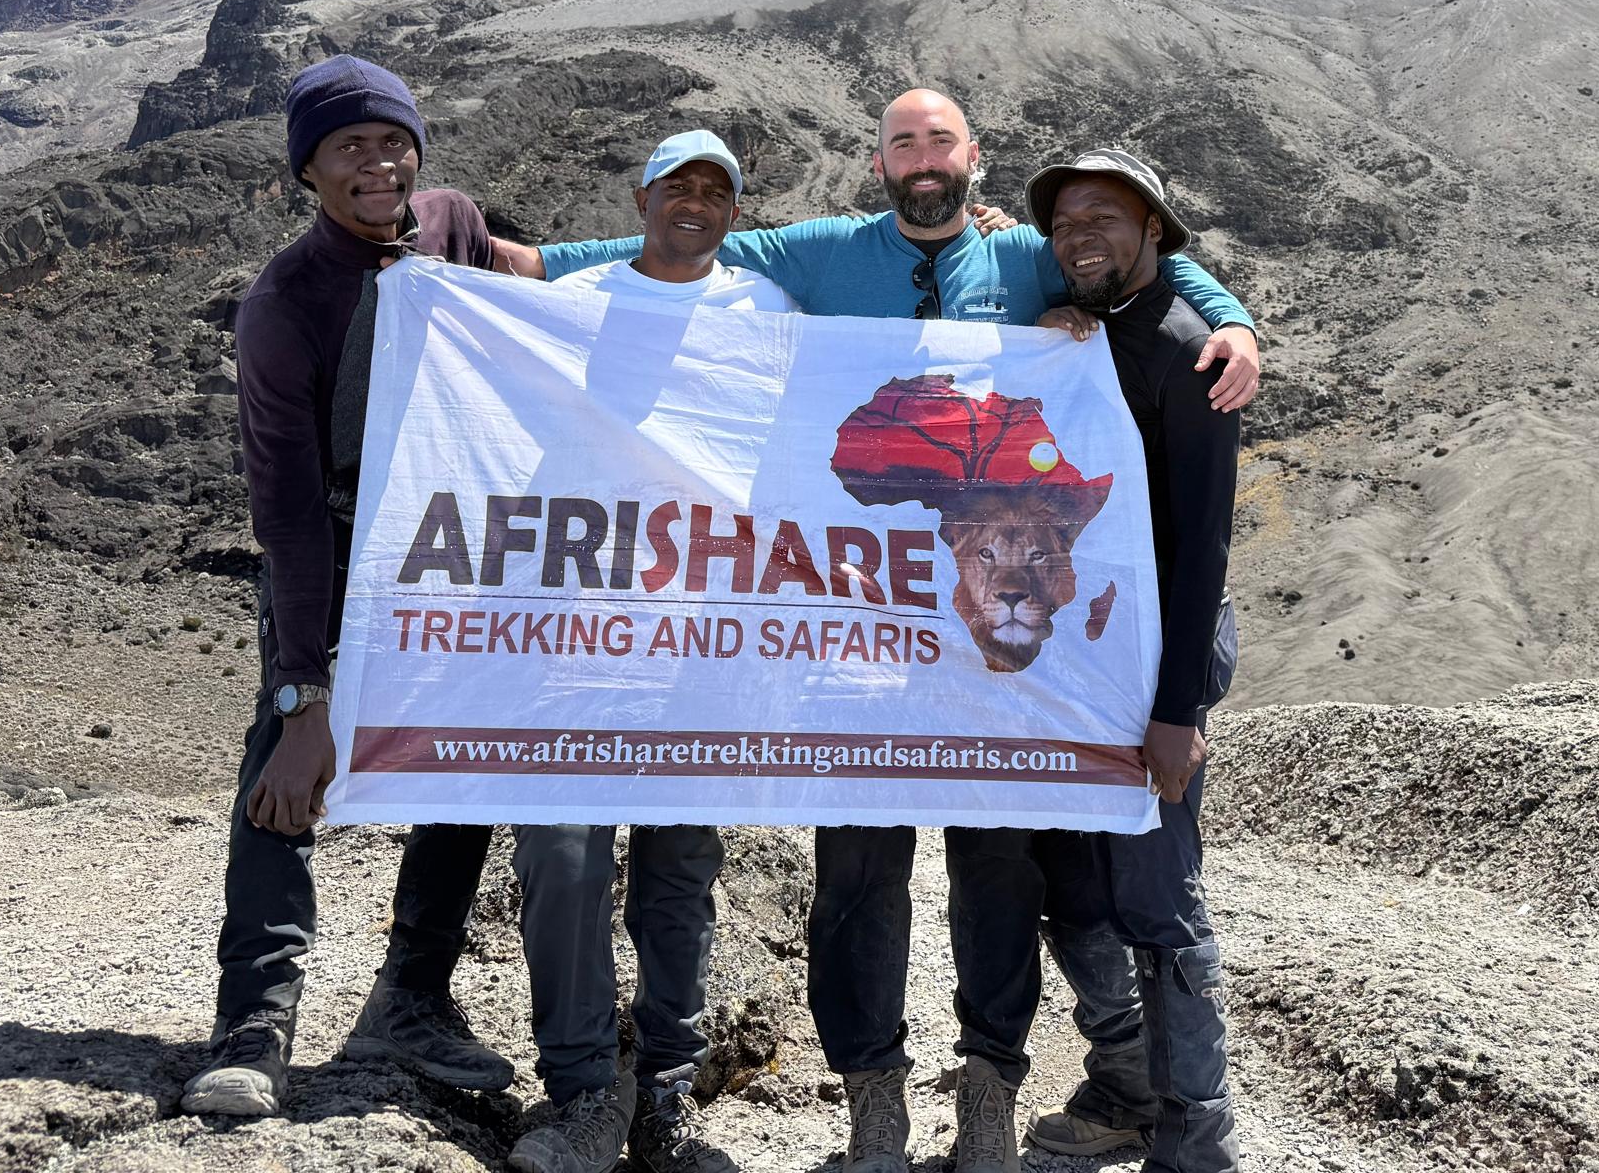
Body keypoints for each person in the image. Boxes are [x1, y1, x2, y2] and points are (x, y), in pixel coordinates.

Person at [492, 90, 1259, 1173]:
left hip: (989, 630)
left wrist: (1234, 320)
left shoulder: (1033, 257)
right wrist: (515, 258)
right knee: (856, 866)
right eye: (904, 143)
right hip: (861, 622)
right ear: (878, 161)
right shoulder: (823, 251)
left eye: (939, 140)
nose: (923, 159)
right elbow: (676, 234)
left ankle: (989, 1101)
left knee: (998, 862)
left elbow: (1145, 269)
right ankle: (876, 1112)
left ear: (970, 156)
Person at [184, 56, 521, 1119]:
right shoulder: (284, 304)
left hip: (450, 554)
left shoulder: (452, 222)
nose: (376, 163)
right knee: (283, 785)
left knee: (463, 769)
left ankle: (410, 998)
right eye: (347, 148)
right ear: (308, 171)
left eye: (391, 141)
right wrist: (306, 693)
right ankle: (254, 1023)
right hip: (330, 556)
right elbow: (281, 512)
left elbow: (539, 276)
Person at [945, 148, 1244, 1173]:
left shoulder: (1187, 349)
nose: (1081, 236)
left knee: (1158, 904)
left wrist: (1177, 708)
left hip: (1159, 662)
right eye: (1064, 222)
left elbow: (1201, 544)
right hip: (1079, 663)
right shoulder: (1086, 336)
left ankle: (1195, 1145)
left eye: (1105, 218)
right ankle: (1124, 1088)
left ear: (1154, 229)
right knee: (1078, 892)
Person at [513, 130, 791, 1173]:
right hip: (581, 628)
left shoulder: (765, 309)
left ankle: (664, 1097)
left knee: (679, 872)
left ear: (733, 210)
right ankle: (584, 1093)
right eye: (679, 185)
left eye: (717, 190)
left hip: (706, 637)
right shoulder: (579, 302)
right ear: (640, 199)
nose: (697, 203)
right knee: (564, 858)